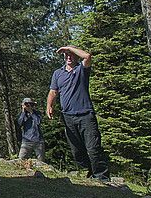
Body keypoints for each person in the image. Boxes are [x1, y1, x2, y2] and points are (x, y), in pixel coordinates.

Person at [47, 45, 109, 180]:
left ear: (75, 56)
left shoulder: (81, 69)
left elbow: (87, 56)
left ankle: (102, 177)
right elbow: (53, 91)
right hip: (68, 117)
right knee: (77, 153)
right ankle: (92, 171)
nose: (69, 57)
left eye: (71, 54)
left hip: (86, 115)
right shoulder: (58, 73)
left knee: (93, 148)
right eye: (66, 55)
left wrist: (68, 47)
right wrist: (49, 106)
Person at [17, 97, 44, 162]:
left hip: (38, 140)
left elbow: (38, 122)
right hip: (26, 140)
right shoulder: (22, 114)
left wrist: (31, 112)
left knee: (41, 160)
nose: (28, 106)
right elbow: (20, 123)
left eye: (30, 104)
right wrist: (23, 112)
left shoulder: (37, 113)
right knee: (21, 159)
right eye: (27, 104)